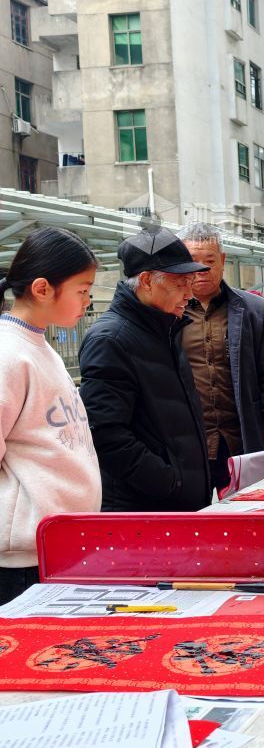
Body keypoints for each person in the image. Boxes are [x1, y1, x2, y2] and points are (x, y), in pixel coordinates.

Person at [0, 228, 102, 605]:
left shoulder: (40, 346)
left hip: (61, 544)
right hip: (24, 560)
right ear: (43, 289)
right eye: (82, 289)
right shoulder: (9, 354)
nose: (87, 301)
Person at [79, 226, 213, 512]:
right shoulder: (110, 339)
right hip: (143, 509)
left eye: (191, 281)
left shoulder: (165, 328)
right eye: (180, 283)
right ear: (147, 281)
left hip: (177, 503)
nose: (189, 294)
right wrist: (170, 482)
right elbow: (106, 434)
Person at [177, 223, 264, 493]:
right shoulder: (168, 312)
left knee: (250, 522)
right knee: (193, 526)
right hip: (189, 445)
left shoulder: (254, 310)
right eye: (193, 262)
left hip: (241, 439)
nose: (202, 270)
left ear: (223, 261)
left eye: (210, 261)